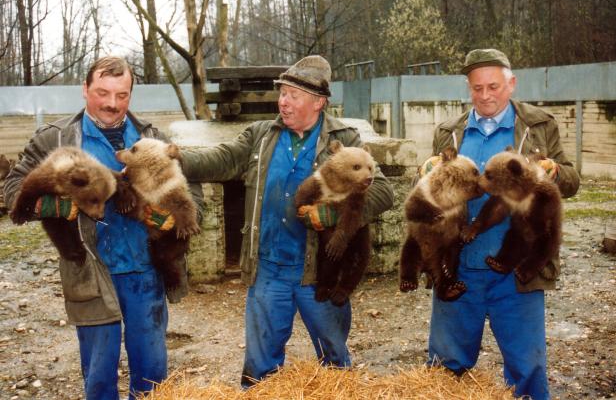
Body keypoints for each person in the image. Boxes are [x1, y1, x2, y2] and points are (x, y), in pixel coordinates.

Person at [180, 55, 394, 388]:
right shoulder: (262, 136)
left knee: (334, 362)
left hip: (319, 271)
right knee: (260, 369)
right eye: (282, 93)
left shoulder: (344, 140)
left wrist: (332, 214)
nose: (283, 101)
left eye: (293, 95)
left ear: (318, 102)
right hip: (269, 270)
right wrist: (170, 159)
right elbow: (218, 160)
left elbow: (382, 190)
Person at [4, 56, 203, 399]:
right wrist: (56, 206)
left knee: (153, 374)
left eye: (122, 95)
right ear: (85, 90)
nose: (112, 103)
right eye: (102, 92)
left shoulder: (151, 138)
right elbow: (12, 190)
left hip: (144, 270)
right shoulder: (57, 138)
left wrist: (176, 218)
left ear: (130, 95)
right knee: (99, 373)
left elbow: (192, 190)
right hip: (91, 272)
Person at [425, 49, 580, 400]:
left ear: (511, 84)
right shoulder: (449, 133)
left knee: (528, 369)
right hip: (460, 269)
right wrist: (428, 173)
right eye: (476, 88)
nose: (485, 96)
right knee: (445, 369)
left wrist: (553, 172)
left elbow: (572, 180)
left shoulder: (539, 126)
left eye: (493, 86)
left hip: (516, 274)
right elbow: (432, 191)